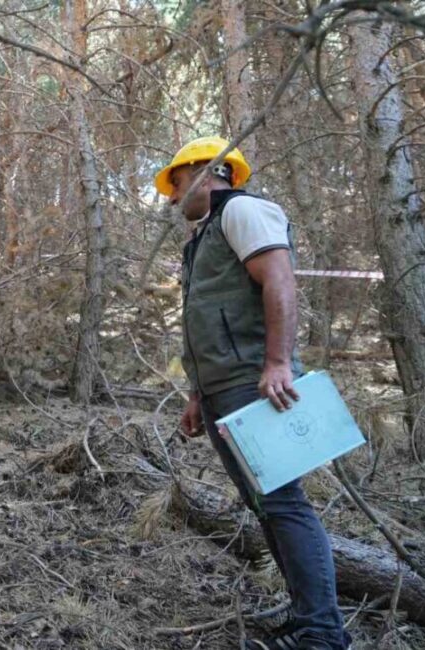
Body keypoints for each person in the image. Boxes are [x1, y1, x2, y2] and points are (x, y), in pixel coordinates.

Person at [158, 136, 351, 650]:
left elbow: (279, 283)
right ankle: (306, 615)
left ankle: (322, 632)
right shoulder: (203, 237)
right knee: (264, 505)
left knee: (283, 503)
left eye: (176, 182)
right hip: (222, 388)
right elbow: (207, 317)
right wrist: (197, 395)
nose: (173, 197)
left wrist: (278, 362)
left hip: (254, 382)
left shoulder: (244, 212)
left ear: (208, 171)